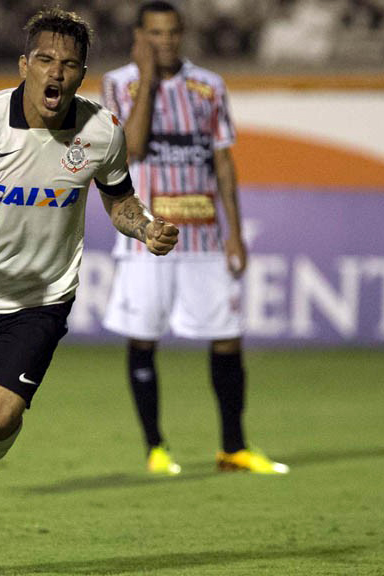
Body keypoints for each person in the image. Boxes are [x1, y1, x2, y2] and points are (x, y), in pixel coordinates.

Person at [0, 7, 179, 576]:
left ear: (81, 74)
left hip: (40, 298)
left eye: (70, 65)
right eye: (45, 59)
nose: (57, 73)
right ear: (25, 65)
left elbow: (119, 201)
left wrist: (146, 227)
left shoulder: (101, 131)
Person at [101, 1, 289, 478]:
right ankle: (156, 447)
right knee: (143, 338)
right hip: (145, 233)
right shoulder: (119, 84)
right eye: (155, 34)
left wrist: (234, 235)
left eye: (172, 33)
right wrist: (146, 77)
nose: (165, 42)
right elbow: (135, 146)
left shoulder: (209, 86)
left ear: (182, 35)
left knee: (227, 337)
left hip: (203, 235)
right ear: (140, 36)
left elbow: (223, 162)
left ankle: (234, 447)